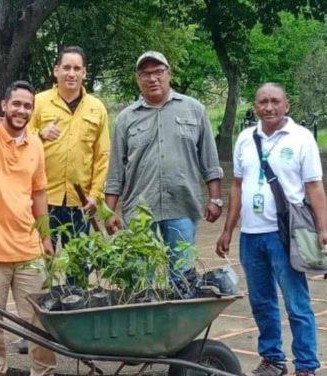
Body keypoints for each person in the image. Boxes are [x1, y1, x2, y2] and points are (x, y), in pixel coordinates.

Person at [216, 83, 325, 376]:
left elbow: (315, 187)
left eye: (275, 101)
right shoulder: (244, 139)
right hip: (251, 236)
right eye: (263, 101)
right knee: (261, 302)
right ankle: (273, 359)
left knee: (296, 302)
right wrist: (228, 230)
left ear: (286, 105)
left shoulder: (301, 138)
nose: (269, 107)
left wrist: (323, 229)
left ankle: (305, 365)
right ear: (255, 106)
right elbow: (237, 187)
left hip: (285, 235)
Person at [104, 51, 223, 278]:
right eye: (145, 73)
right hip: (140, 211)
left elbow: (209, 159)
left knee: (182, 276)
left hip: (182, 205)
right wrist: (108, 212)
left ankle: (179, 314)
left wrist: (216, 198)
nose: (152, 78)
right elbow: (116, 172)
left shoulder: (194, 109)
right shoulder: (125, 119)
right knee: (140, 279)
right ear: (138, 79)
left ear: (169, 74)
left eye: (158, 72)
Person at [0, 80, 56, 376]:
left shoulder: (36, 144)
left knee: (39, 320)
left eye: (27, 106)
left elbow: (39, 192)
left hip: (27, 248)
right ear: (4, 105)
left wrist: (46, 237)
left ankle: (43, 372)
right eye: (16, 104)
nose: (21, 110)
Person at [28, 45, 110, 245]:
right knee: (42, 261)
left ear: (84, 73)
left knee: (77, 265)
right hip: (43, 198)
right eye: (66, 68)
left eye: (76, 69)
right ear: (56, 71)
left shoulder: (96, 108)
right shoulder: (38, 103)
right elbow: (20, 142)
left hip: (80, 202)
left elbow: (102, 156)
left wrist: (95, 196)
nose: (71, 74)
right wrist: (39, 135)